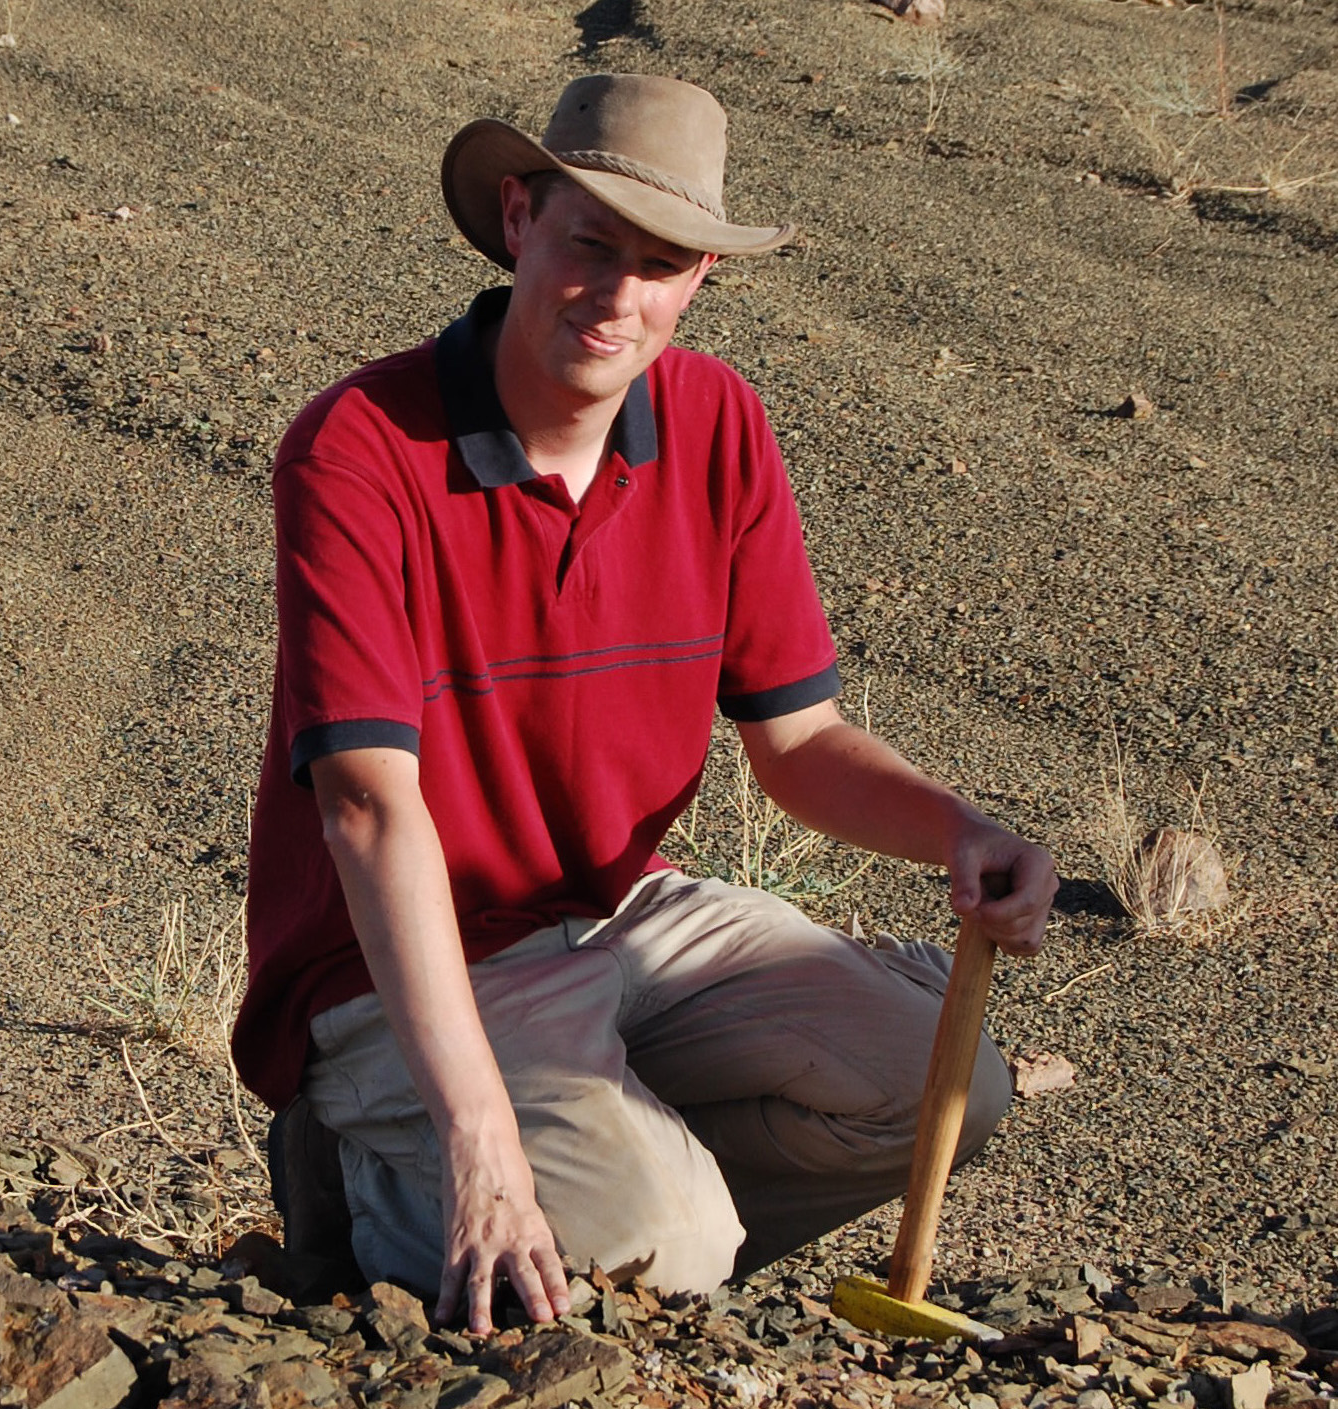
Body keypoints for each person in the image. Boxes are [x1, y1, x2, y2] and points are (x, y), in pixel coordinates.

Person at [231, 73, 1057, 1336]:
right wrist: (482, 1139)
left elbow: (799, 743)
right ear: (519, 219)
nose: (617, 296)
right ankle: (388, 1176)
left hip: (622, 911)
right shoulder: (360, 446)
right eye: (589, 244)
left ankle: (615, 1190)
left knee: (950, 1086)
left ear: (700, 277)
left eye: (660, 263)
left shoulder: (719, 424)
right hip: (402, 958)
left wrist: (963, 829)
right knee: (668, 1247)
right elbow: (367, 809)